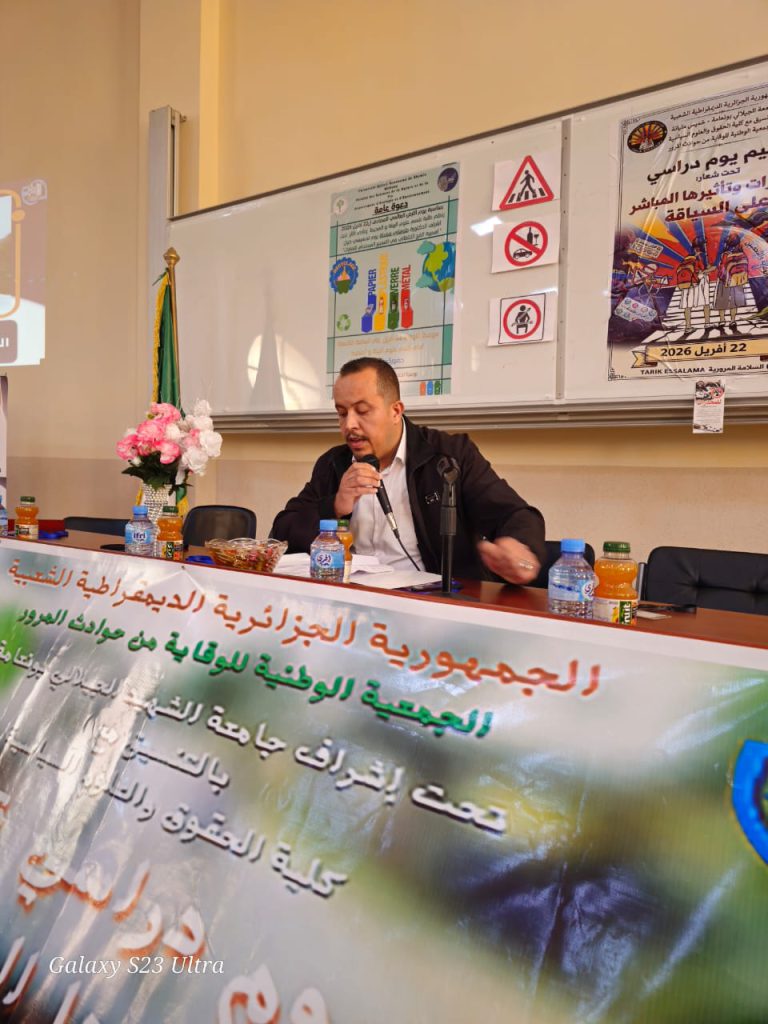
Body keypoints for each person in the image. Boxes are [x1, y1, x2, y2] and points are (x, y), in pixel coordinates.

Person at [271, 358, 546, 584]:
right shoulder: (334, 463)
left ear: (395, 411)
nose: (349, 425)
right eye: (342, 413)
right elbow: (283, 531)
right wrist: (334, 505)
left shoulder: (448, 456)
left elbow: (515, 514)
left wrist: (519, 549)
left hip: (429, 603)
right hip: (351, 599)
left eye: (362, 411)